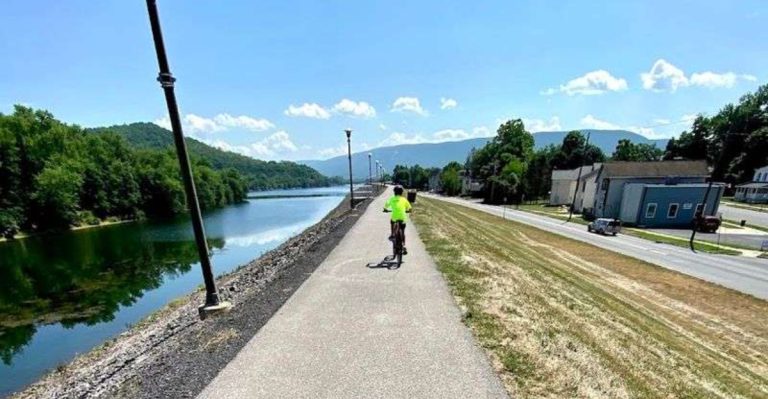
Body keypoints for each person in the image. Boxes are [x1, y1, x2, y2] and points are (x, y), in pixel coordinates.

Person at [383, 185, 412, 254]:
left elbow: (386, 206)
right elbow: (410, 208)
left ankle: (393, 234)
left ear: (394, 192)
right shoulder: (404, 199)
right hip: (402, 217)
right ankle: (404, 245)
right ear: (401, 192)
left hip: (395, 217)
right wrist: (408, 210)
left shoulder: (391, 199)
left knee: (392, 221)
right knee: (403, 231)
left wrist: (385, 209)